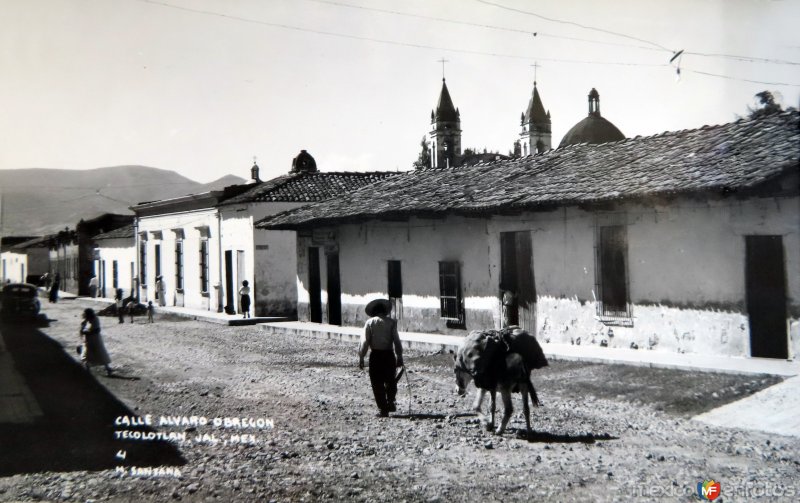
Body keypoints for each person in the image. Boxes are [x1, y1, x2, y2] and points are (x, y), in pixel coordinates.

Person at [358, 298, 403, 417]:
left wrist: (361, 357)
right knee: (390, 380)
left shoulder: (370, 323)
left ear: (373, 311)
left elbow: (365, 342)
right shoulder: (391, 322)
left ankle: (383, 409)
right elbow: (396, 341)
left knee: (377, 382)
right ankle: (391, 401)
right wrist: (399, 356)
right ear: (385, 311)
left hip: (376, 356)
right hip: (389, 355)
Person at [79, 308, 113, 376]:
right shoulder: (90, 319)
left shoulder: (94, 320)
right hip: (91, 339)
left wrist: (83, 330)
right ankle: (88, 369)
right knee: (90, 353)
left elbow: (94, 330)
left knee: (95, 353)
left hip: (94, 339)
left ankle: (107, 368)